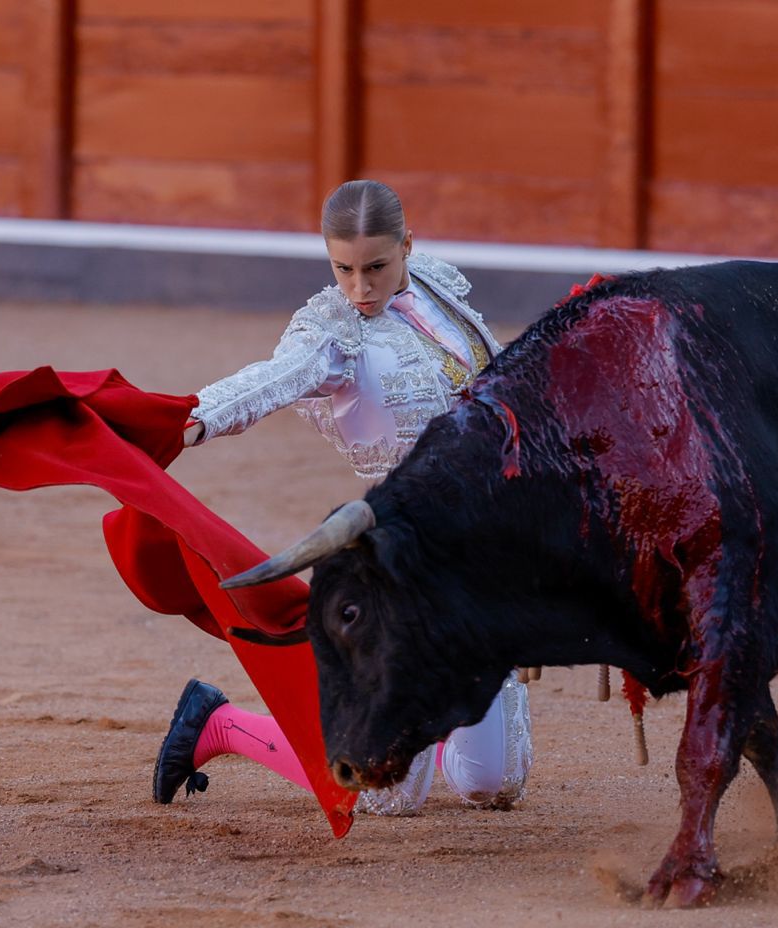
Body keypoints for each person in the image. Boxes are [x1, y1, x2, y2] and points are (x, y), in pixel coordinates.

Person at [151, 179, 532, 816]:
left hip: (480, 549)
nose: (360, 288)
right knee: (381, 797)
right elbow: (271, 380)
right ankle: (218, 724)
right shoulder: (331, 334)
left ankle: (417, 708)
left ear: (408, 246)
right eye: (344, 269)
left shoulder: (439, 289)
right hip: (399, 551)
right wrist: (192, 419)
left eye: (377, 266)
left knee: (491, 786)